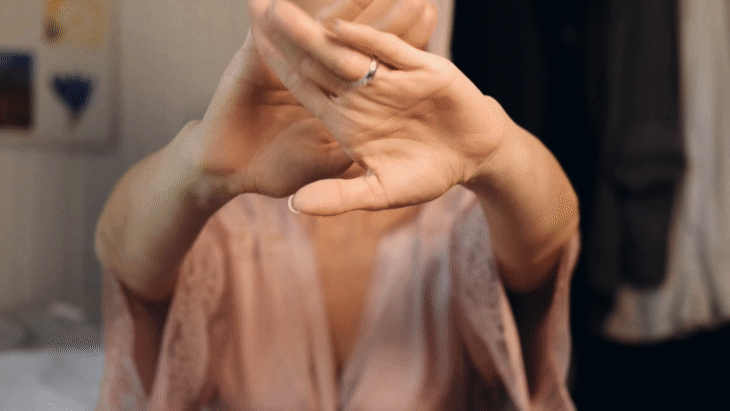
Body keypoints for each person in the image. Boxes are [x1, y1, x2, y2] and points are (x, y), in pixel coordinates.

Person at [93, 0, 580, 409]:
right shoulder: (226, 224)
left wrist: (497, 154)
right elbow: (123, 254)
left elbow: (550, 235)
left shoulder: (461, 221)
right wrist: (200, 171)